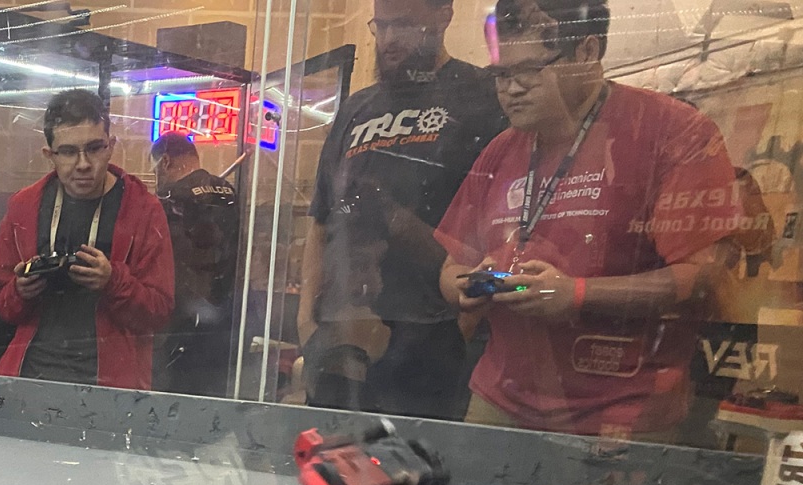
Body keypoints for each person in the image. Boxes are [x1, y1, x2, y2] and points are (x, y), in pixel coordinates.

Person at [437, 0, 741, 438]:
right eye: (501, 75)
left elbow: (706, 277)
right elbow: (451, 266)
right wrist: (470, 287)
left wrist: (576, 295)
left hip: (621, 412)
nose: (511, 90)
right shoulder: (502, 149)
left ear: (587, 51)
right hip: (501, 400)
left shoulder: (671, 131)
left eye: (530, 70)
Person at [300, 0, 506, 419]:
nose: (390, 39)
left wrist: (461, 332)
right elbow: (321, 220)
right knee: (333, 452)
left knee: (419, 455)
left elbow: (500, 226)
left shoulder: (484, 95)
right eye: (382, 26)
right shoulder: (356, 108)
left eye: (405, 25)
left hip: (435, 335)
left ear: (444, 16)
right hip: (345, 332)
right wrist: (307, 323)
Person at [0, 88, 174, 390]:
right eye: (68, 151)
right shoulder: (23, 206)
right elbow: (5, 307)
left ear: (111, 146)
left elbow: (159, 312)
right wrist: (21, 289)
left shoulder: (143, 209)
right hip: (29, 375)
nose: (83, 163)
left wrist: (113, 281)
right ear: (49, 155)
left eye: (94, 148)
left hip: (110, 386)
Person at [151, 133, 240, 397]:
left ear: (165, 162)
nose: (156, 178)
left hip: (181, 318)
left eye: (154, 170)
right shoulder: (230, 193)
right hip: (224, 313)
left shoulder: (170, 198)